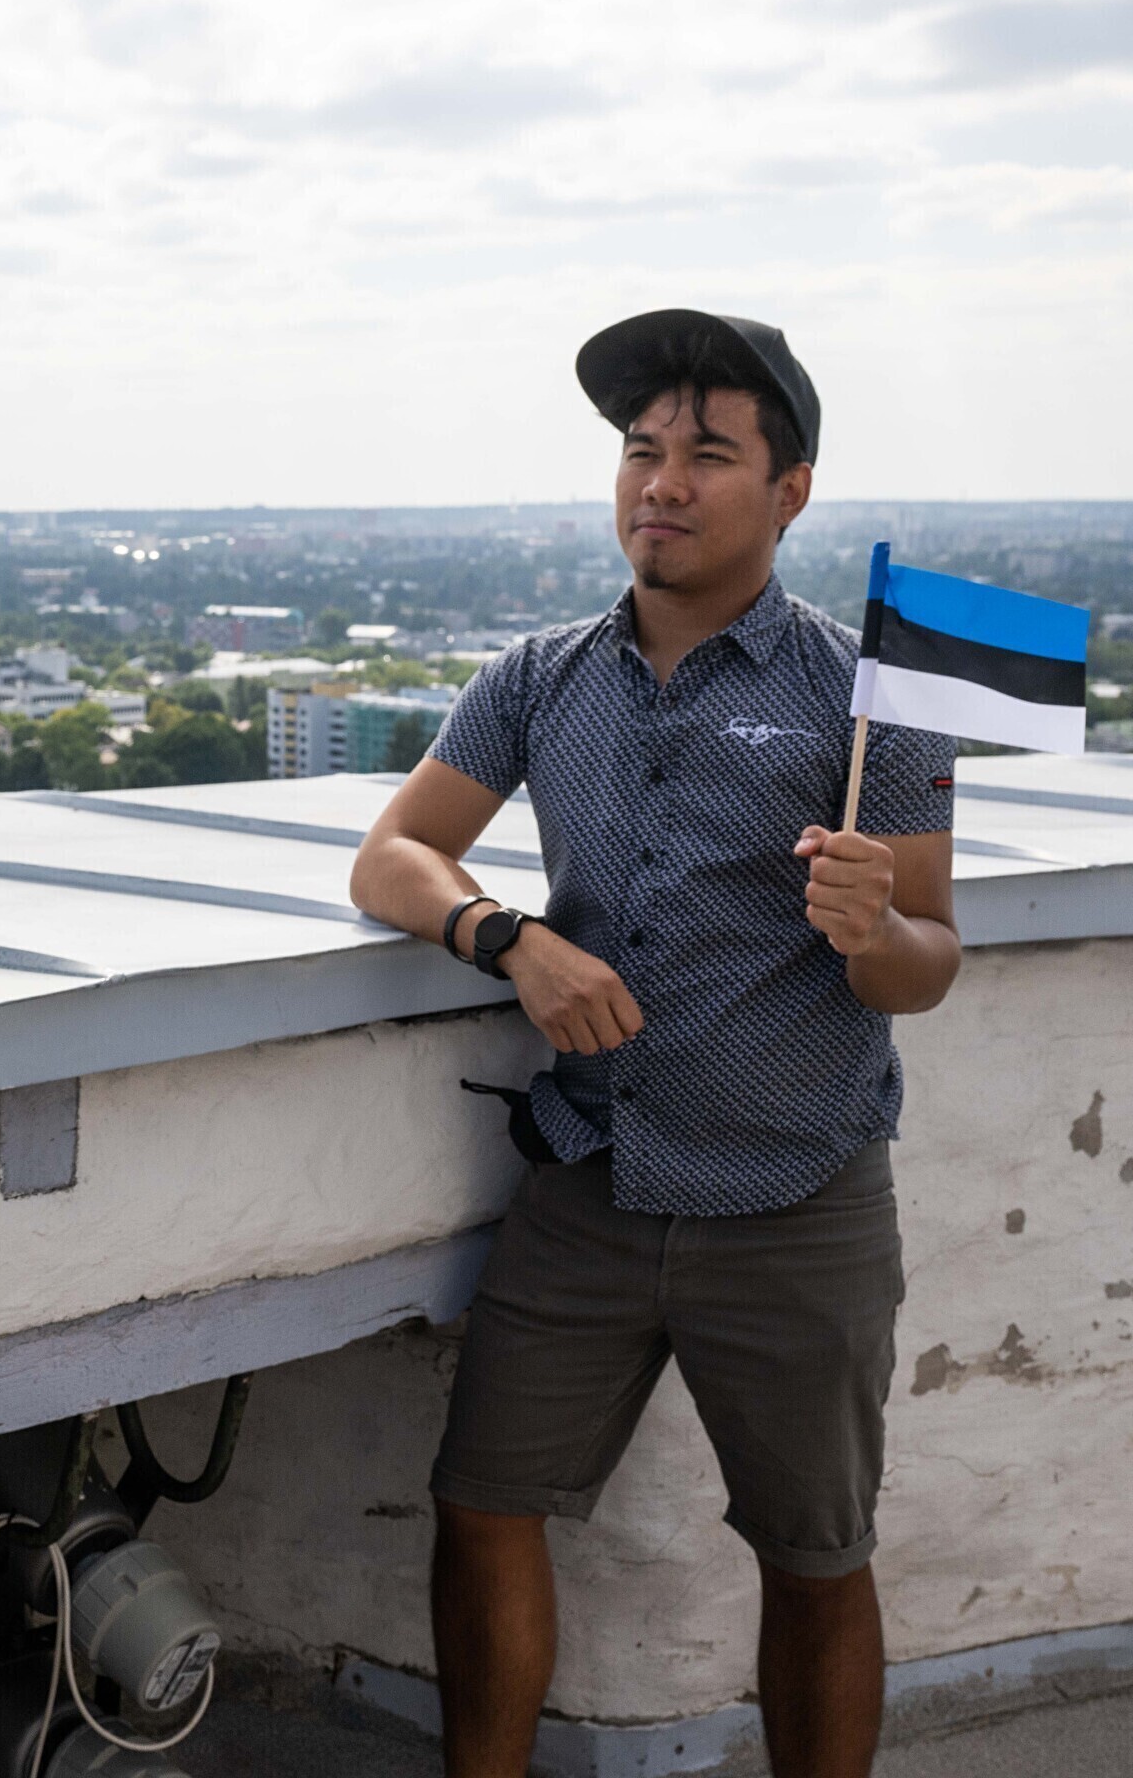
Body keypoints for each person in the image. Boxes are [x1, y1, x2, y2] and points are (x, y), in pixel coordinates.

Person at [349, 310, 959, 1778]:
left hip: (794, 1195)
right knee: (483, 1503)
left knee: (816, 1555)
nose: (662, 484)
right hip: (590, 1177)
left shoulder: (871, 705)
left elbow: (931, 961)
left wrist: (870, 925)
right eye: (640, 451)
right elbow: (393, 856)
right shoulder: (541, 675)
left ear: (789, 492)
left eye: (708, 454)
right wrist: (509, 938)